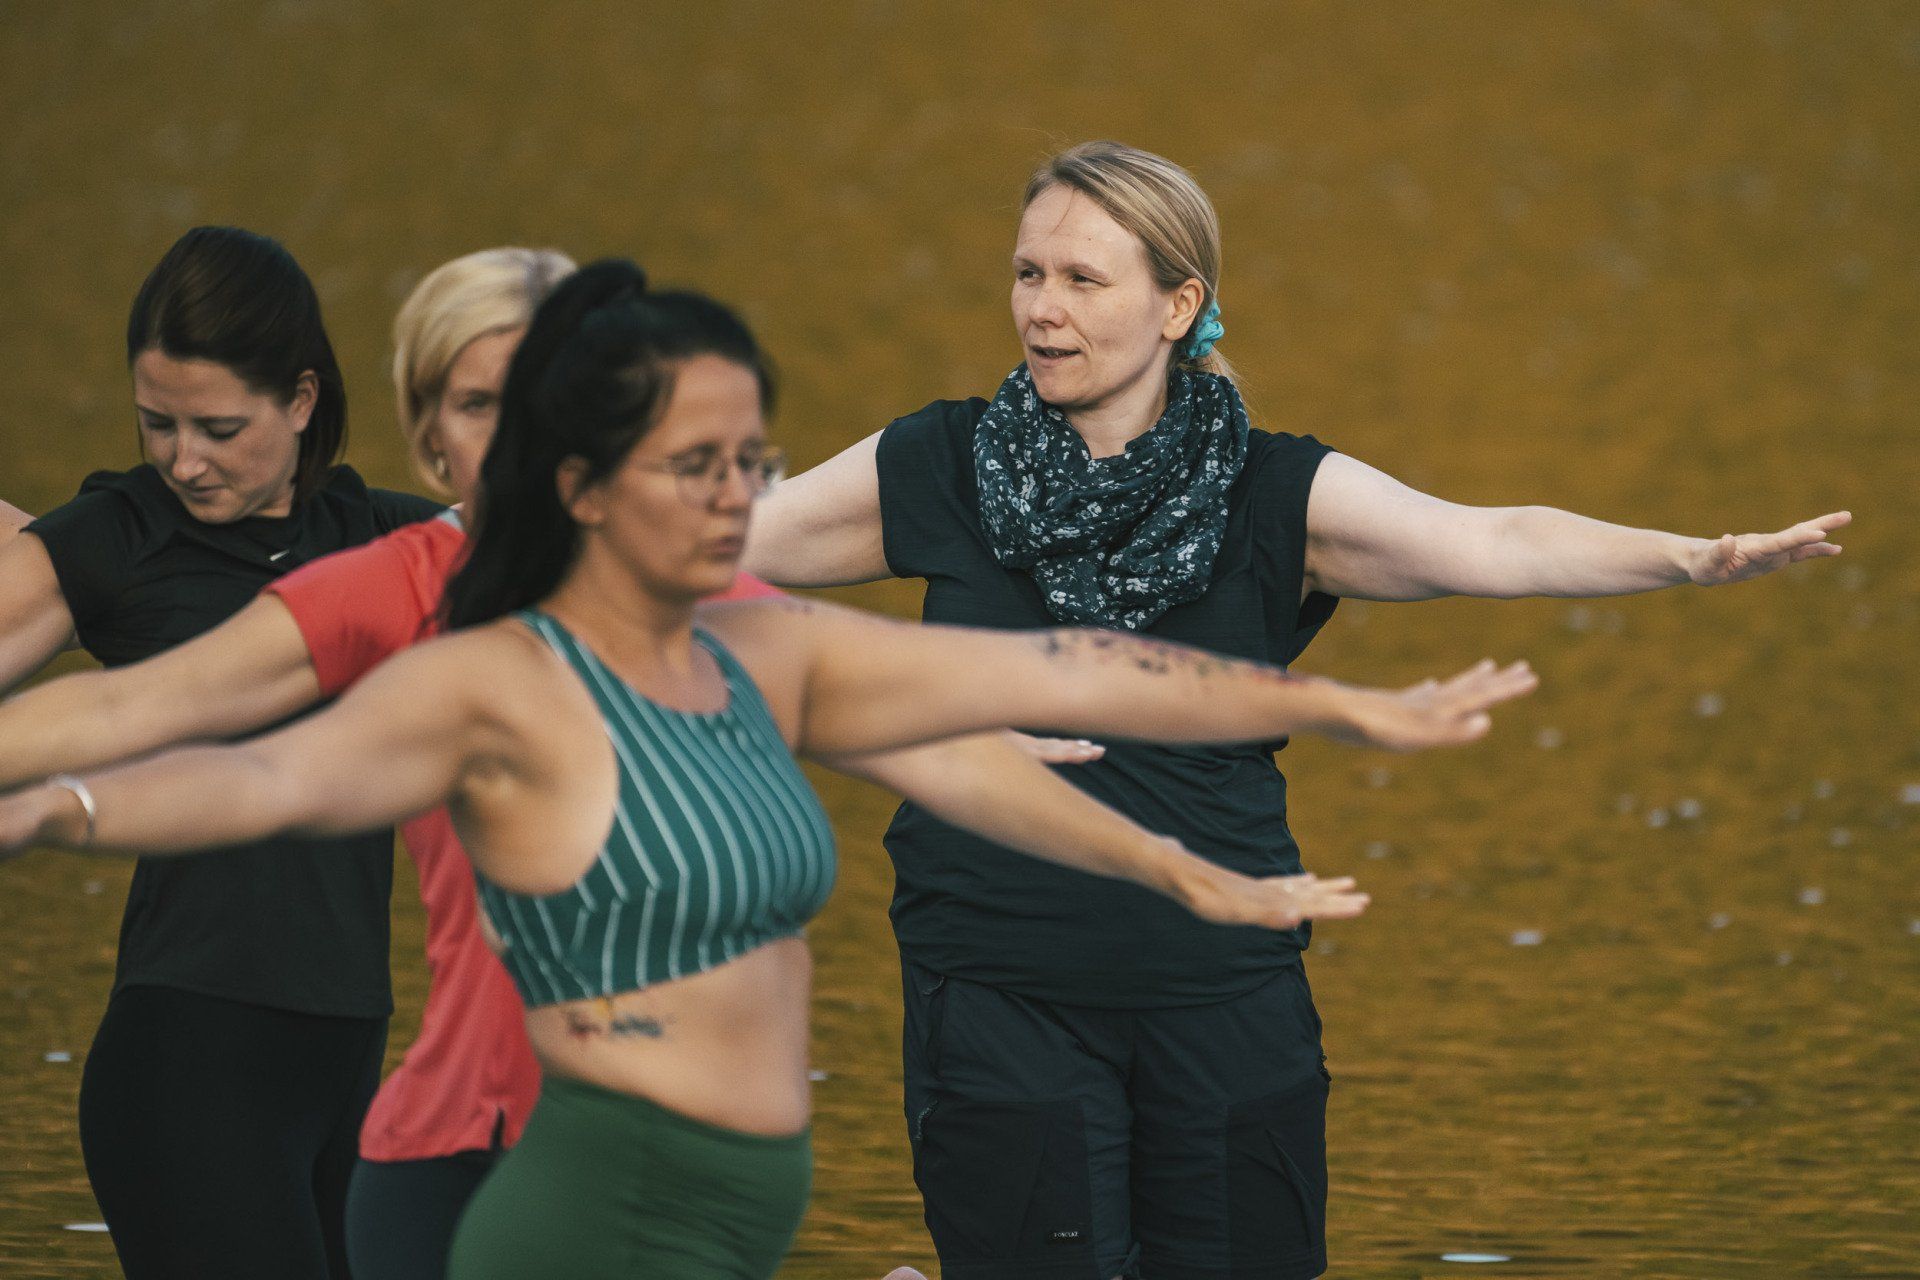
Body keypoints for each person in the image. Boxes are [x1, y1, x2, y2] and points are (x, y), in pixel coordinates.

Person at [0, 260, 1536, 1280]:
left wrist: (1228, 823)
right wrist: (57, 808)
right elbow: (236, 763)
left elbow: (1063, 676)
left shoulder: (734, 629)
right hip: (519, 1172)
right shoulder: (444, 628)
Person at [739, 140, 1850, 1280]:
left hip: (1225, 987)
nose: (1042, 308)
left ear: (1179, 305)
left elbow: (1494, 538)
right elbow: (690, 566)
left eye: (1082, 279)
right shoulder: (941, 464)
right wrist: (899, 701)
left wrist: (1688, 557)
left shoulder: (1274, 490)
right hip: (999, 988)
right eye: (1029, 273)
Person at [0, 226, 443, 1279]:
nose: (183, 459)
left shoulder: (382, 539)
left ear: (301, 400)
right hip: (187, 1072)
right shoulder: (120, 536)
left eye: (218, 428)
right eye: (157, 423)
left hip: (348, 1070)